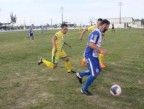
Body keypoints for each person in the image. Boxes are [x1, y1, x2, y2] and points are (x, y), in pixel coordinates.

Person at [76, 19, 110, 96]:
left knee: (98, 69)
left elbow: (95, 45)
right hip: (89, 55)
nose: (107, 29)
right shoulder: (96, 32)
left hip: (93, 55)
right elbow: (91, 45)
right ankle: (84, 89)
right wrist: (100, 50)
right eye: (107, 27)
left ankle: (80, 74)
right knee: (94, 74)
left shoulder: (99, 33)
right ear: (104, 25)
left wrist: (99, 51)